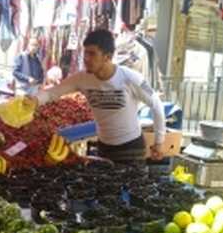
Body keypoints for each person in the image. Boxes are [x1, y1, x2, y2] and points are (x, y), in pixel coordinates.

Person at [28, 29, 166, 164]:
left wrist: (159, 142)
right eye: (85, 53)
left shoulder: (131, 78)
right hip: (104, 147)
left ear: (108, 56)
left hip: (131, 148)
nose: (86, 59)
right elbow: (53, 92)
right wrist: (35, 100)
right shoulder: (82, 78)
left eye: (92, 54)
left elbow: (157, 105)